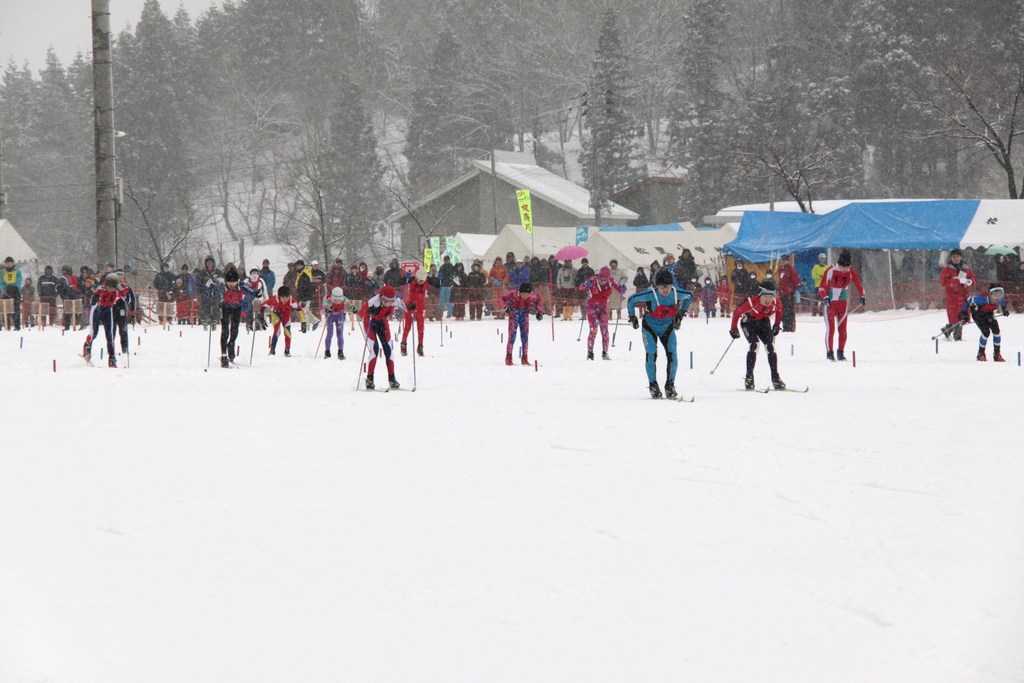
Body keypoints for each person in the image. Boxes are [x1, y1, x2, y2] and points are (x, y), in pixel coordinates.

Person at [627, 269, 692, 399]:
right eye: (662, 287)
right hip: (649, 327)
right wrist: (632, 316)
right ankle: (653, 385)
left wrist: (681, 313)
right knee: (651, 353)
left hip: (667, 327)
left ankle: (670, 385)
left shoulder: (675, 293)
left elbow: (689, 296)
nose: (665, 290)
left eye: (667, 286)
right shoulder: (651, 294)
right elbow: (631, 300)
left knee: (672, 354)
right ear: (657, 286)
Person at [730, 279, 785, 390]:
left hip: (764, 322)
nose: (768, 300)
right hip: (749, 322)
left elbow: (780, 311)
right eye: (765, 296)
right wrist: (733, 329)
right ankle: (749, 377)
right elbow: (736, 313)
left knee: (770, 347)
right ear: (760, 295)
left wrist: (777, 325)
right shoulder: (751, 302)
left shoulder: (776, 302)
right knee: (754, 345)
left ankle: (775, 378)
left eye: (771, 296)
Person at [818, 250, 866, 361]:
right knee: (831, 330)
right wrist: (825, 297)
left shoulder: (850, 272)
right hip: (830, 304)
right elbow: (821, 288)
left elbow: (858, 284)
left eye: (848, 267)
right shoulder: (830, 270)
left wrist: (862, 295)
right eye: (844, 267)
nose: (846, 270)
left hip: (842, 304)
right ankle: (830, 353)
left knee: (843, 330)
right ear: (839, 265)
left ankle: (841, 352)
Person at [360, 284, 407, 390]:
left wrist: (411, 306)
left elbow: (406, 308)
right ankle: (369, 379)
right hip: (370, 324)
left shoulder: (395, 300)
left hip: (382, 324)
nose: (389, 304)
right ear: (381, 298)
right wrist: (369, 311)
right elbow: (361, 313)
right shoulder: (373, 302)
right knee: (375, 350)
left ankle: (392, 379)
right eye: (386, 301)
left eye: (391, 301)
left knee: (388, 350)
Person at [579, 266, 627, 360]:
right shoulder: (593, 279)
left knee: (604, 330)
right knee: (593, 329)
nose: (602, 281)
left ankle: (605, 353)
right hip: (591, 307)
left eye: (604, 280)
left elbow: (620, 289)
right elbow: (581, 287)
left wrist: (622, 289)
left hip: (603, 307)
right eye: (601, 279)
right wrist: (586, 284)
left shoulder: (611, 281)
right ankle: (590, 353)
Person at [960, 284, 1009, 362]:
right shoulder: (981, 299)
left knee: (996, 331)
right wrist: (964, 313)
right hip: (978, 313)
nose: (997, 298)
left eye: (1000, 295)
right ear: (990, 294)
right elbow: (967, 300)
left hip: (988, 313)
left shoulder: (1000, 299)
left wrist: (1004, 310)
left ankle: (997, 354)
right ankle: (981, 354)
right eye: (995, 295)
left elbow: (1003, 304)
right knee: (986, 332)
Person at [499, 282, 544, 366]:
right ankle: (508, 357)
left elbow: (538, 300)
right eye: (523, 294)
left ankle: (524, 357)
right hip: (514, 314)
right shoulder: (513, 293)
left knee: (525, 337)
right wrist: (505, 307)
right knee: (512, 336)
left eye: (527, 295)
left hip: (524, 314)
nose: (525, 296)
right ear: (520, 292)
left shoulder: (533, 296)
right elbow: (501, 298)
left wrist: (539, 311)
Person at [83, 273, 121, 367]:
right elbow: (92, 302)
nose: (111, 289)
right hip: (96, 310)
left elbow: (121, 297)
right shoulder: (100, 289)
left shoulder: (115, 292)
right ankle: (87, 349)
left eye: (113, 287)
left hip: (107, 311)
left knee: (110, 336)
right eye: (109, 287)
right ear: (106, 285)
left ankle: (112, 359)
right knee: (93, 333)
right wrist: (95, 295)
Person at [939, 248, 976, 341]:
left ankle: (948, 329)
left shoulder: (966, 268)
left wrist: (969, 281)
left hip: (964, 297)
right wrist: (956, 281)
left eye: (957, 256)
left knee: (963, 317)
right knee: (956, 317)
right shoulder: (946, 269)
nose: (955, 258)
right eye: (953, 257)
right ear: (951, 258)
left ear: (961, 257)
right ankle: (958, 337)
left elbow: (973, 278)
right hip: (952, 298)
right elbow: (943, 283)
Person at [261, 286, 300, 356]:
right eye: (283, 297)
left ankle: (287, 351)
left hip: (286, 315)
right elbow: (262, 306)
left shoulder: (292, 300)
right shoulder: (273, 299)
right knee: (277, 331)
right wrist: (261, 317)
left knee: (287, 332)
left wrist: (303, 322)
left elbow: (300, 309)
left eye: (286, 297)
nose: (285, 299)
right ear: (279, 297)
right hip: (276, 314)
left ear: (289, 296)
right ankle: (272, 350)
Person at [218, 268, 245, 368]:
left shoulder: (240, 287)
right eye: (229, 282)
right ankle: (224, 355)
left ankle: (231, 344)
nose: (231, 284)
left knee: (234, 330)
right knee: (225, 331)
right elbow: (219, 299)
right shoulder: (222, 288)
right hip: (225, 309)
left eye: (233, 282)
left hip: (236, 308)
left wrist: (257, 292)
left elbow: (245, 297)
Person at [322, 286, 355, 360]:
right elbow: (324, 307)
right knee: (329, 333)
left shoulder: (344, 298)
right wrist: (326, 310)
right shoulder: (329, 299)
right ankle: (327, 351)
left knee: (340, 334)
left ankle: (340, 352)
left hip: (339, 315)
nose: (337, 301)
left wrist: (353, 308)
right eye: (335, 300)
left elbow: (349, 304)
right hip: (330, 316)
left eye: (339, 300)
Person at [402, 269, 429, 356]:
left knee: (421, 327)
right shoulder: (412, 282)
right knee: (407, 326)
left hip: (420, 305)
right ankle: (403, 343)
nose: (420, 282)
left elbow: (421, 296)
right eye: (418, 280)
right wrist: (411, 303)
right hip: (409, 304)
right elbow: (412, 294)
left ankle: (420, 346)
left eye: (422, 281)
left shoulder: (425, 283)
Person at [113, 271, 137, 354]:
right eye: (118, 278)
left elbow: (132, 300)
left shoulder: (127, 287)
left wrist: (132, 312)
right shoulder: (112, 287)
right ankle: (111, 347)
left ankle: (125, 348)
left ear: (124, 279)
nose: (120, 279)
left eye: (121, 278)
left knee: (123, 329)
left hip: (122, 310)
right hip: (112, 310)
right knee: (111, 330)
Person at [197, 256, 222, 330]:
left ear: (213, 263)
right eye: (208, 262)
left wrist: (217, 283)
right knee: (204, 307)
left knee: (215, 307)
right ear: (205, 263)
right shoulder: (202, 272)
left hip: (215, 292)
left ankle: (214, 322)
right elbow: (198, 284)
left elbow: (222, 282)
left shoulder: (218, 272)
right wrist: (199, 293)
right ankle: (204, 322)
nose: (209, 264)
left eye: (211, 262)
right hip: (205, 293)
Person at [777, 254, 800, 332]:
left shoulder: (791, 270)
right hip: (782, 294)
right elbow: (781, 282)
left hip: (788, 295)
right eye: (781, 260)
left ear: (787, 261)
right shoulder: (781, 270)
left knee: (789, 312)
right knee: (783, 311)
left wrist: (791, 291)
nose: (782, 262)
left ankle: (790, 328)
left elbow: (796, 282)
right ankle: (785, 326)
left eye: (783, 260)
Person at [294, 259, 317, 332]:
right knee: (305, 310)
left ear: (302, 266)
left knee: (303, 311)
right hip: (304, 296)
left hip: (305, 296)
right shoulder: (301, 273)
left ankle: (306, 328)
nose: (297, 267)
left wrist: (303, 299)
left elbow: (305, 287)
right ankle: (315, 321)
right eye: (296, 266)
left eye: (298, 266)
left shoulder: (304, 274)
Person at [1, 256, 23, 330]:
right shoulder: (4, 272)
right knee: (6, 309)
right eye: (7, 263)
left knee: (16, 309)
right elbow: (1, 281)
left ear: (13, 263)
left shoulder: (17, 271)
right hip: (6, 290)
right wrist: (3, 288)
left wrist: (15, 287)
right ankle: (7, 325)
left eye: (10, 263)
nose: (8, 264)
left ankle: (17, 326)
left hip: (15, 291)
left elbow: (19, 281)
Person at [57, 265, 81, 330]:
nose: (63, 271)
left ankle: (67, 327)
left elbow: (63, 288)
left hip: (68, 297)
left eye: (64, 270)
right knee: (78, 311)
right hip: (76, 296)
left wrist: (63, 296)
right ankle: (81, 323)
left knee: (68, 312)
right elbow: (80, 286)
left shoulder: (63, 278)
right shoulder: (75, 277)